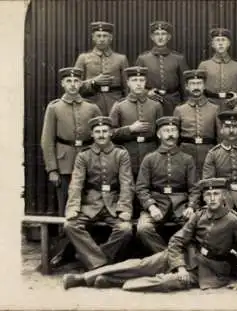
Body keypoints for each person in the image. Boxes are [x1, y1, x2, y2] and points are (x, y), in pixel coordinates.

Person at [62, 177, 237, 291]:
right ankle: (83, 278)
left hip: (209, 271)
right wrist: (178, 265)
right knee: (139, 264)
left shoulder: (234, 221)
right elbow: (178, 240)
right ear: (203, 197)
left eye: (216, 194)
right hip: (187, 256)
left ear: (224, 197)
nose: (212, 199)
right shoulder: (199, 215)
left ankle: (109, 281)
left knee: (163, 283)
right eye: (208, 195)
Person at [62, 116, 134, 271]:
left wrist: (125, 209)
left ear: (110, 133)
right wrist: (73, 207)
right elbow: (76, 183)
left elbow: (127, 183)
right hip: (90, 204)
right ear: (92, 135)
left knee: (125, 229)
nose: (101, 135)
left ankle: (95, 259)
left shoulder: (121, 154)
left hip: (113, 205)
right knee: (70, 225)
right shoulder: (84, 155)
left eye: (105, 131)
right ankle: (102, 264)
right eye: (97, 132)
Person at [41, 67, 102, 216]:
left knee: (89, 202)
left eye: (76, 81)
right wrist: (52, 169)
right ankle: (64, 236)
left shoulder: (92, 107)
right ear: (63, 83)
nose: (73, 84)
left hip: (89, 159)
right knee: (66, 203)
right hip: (64, 163)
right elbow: (47, 139)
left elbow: (101, 136)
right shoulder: (54, 107)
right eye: (69, 81)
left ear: (81, 83)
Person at [135, 116, 201, 254]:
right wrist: (151, 207)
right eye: (166, 131)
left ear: (178, 134)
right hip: (157, 203)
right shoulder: (149, 159)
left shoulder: (187, 159)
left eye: (173, 130)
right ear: (159, 135)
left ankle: (182, 259)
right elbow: (141, 187)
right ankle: (165, 256)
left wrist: (191, 206)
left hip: (181, 205)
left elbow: (195, 188)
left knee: (194, 225)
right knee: (143, 229)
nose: (170, 134)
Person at [109, 66, 163, 184]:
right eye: (134, 80)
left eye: (141, 80)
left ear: (145, 82)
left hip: (150, 152)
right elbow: (110, 133)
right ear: (128, 83)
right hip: (128, 154)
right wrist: (130, 129)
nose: (138, 84)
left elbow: (161, 133)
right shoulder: (119, 106)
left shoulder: (155, 106)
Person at [75, 21, 129, 116]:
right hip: (90, 102)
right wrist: (93, 82)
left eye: (105, 36)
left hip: (115, 103)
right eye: (98, 36)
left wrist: (125, 106)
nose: (102, 39)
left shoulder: (121, 59)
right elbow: (75, 85)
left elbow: (127, 86)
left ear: (111, 38)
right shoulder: (83, 58)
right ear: (93, 38)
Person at [135, 21, 189, 116]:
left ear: (169, 37)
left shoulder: (178, 58)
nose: (160, 37)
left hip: (173, 101)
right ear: (152, 37)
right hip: (151, 101)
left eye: (163, 34)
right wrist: (147, 93)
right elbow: (135, 83)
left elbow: (185, 85)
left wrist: (186, 104)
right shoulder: (143, 59)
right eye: (157, 34)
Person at [173, 69, 220, 178]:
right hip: (186, 152)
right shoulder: (180, 110)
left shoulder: (214, 108)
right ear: (187, 87)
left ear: (204, 86)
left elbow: (219, 136)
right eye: (192, 84)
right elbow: (175, 137)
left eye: (199, 83)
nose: (196, 87)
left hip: (208, 152)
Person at [198, 28, 237, 111]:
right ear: (212, 44)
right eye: (217, 40)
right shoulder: (204, 65)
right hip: (209, 107)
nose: (220, 43)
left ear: (229, 43)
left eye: (223, 40)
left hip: (231, 106)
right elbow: (198, 87)